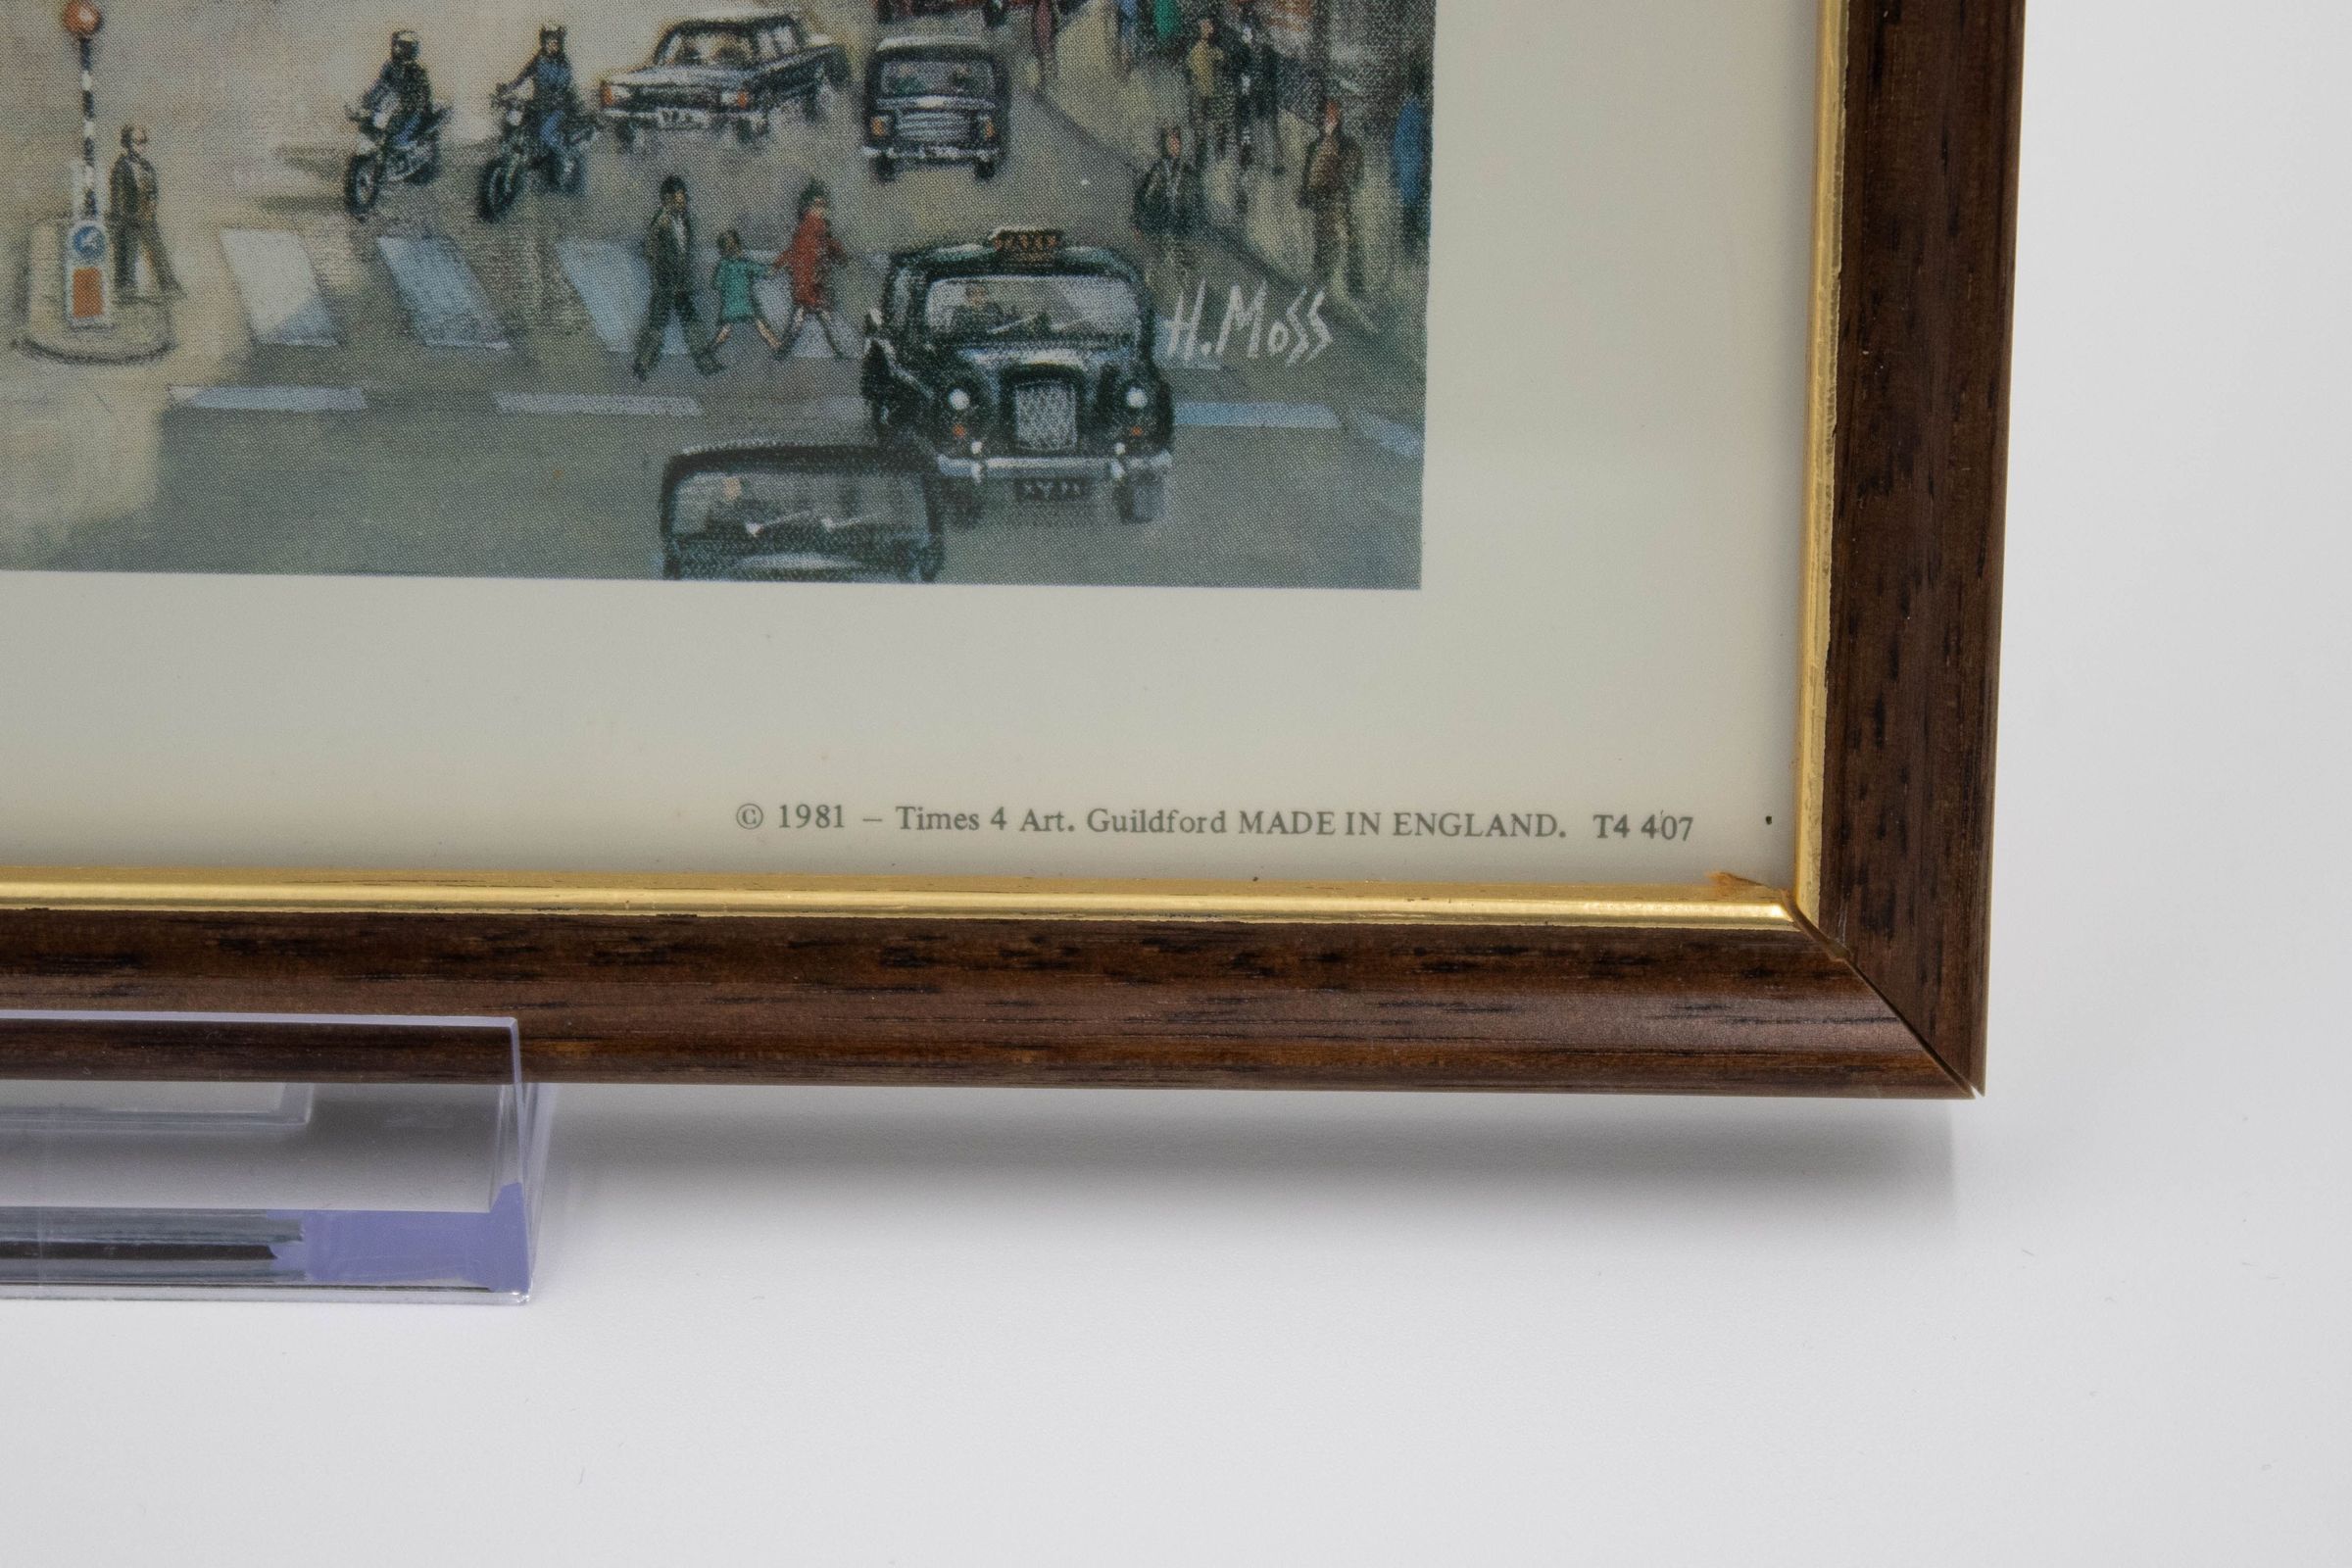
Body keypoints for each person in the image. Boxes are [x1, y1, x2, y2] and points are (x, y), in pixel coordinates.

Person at [634, 175, 722, 378]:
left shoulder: (685, 222)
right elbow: (650, 251)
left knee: (692, 323)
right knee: (656, 325)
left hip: (680, 285)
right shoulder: (661, 223)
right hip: (665, 285)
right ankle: (642, 364)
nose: (684, 203)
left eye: (684, 198)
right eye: (680, 198)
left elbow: (685, 253)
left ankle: (706, 363)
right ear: (667, 199)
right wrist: (660, 276)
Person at [773, 179, 851, 359]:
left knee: (805, 319)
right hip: (810, 283)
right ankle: (838, 351)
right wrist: (841, 257)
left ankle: (784, 350)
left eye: (823, 205)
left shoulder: (812, 229)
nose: (821, 209)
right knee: (817, 318)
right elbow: (825, 247)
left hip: (810, 283)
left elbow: (795, 251)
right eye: (817, 205)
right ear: (807, 207)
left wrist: (778, 264)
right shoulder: (813, 228)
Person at [1299, 96, 1364, 297]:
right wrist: (1305, 193)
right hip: (1322, 201)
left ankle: (1354, 287)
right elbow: (1308, 174)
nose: (1329, 119)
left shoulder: (1348, 145)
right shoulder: (1314, 145)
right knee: (1324, 242)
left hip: (1339, 201)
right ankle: (1321, 283)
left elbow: (1355, 174)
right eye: (1326, 115)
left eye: (1333, 115)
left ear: (1339, 118)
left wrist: (1343, 180)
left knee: (1349, 241)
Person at [106, 124, 177, 297]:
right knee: (127, 253)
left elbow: (153, 191)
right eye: (136, 142)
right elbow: (117, 197)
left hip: (146, 217)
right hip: (128, 218)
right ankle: (125, 288)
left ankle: (169, 286)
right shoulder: (120, 167)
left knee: (158, 251)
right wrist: (121, 218)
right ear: (126, 143)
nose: (140, 146)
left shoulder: (147, 166)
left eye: (143, 141)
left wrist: (151, 209)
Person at [1132, 124, 1203, 292]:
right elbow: (1141, 195)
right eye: (1171, 143)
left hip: (1179, 225)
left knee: (1183, 261)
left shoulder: (1187, 170)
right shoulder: (1157, 169)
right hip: (1157, 222)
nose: (1175, 146)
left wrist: (1195, 225)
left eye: (1177, 143)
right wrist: (1136, 223)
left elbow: (1195, 199)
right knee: (1154, 259)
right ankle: (1150, 289)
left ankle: (1186, 291)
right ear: (1165, 145)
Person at [507, 23, 580, 167]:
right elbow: (522, 76)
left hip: (558, 108)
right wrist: (507, 89)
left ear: (560, 44)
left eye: (554, 42)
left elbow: (563, 85)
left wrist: (554, 98)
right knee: (519, 123)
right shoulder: (539, 59)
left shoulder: (563, 64)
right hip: (540, 104)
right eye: (547, 41)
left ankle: (566, 158)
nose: (550, 45)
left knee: (545, 133)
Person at [710, 229, 784, 356]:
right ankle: (776, 345)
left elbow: (716, 284)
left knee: (725, 329)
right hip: (746, 304)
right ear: (738, 247)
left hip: (729, 305)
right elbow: (766, 272)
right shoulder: (745, 264)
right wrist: (778, 267)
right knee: (760, 325)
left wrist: (727, 286)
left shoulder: (723, 265)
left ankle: (712, 348)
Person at [365, 29, 435, 151]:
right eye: (399, 45)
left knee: (398, 142)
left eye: (405, 45)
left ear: (413, 48)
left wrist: (416, 108)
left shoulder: (418, 69)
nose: (399, 48)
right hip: (393, 108)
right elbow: (380, 86)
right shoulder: (390, 66)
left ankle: (406, 151)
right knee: (375, 129)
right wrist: (367, 102)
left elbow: (424, 94)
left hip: (413, 110)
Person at [1391, 57, 1433, 257]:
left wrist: (1396, 170)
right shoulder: (1417, 113)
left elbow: (1398, 144)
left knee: (1411, 213)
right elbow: (1407, 144)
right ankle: (1411, 252)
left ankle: (1411, 251)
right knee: (1414, 213)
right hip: (1415, 172)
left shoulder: (1409, 112)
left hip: (1410, 172)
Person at [1186, 18, 1231, 162]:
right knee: (1205, 124)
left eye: (1210, 27)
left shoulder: (1208, 50)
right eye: (1207, 28)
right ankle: (1207, 154)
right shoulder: (1200, 50)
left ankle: (1214, 153)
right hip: (1204, 92)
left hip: (1208, 92)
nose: (1210, 30)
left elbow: (1222, 61)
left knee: (1210, 123)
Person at [1031, 0, 1059, 87]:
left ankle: (1051, 78)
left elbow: (1056, 18)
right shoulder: (1037, 6)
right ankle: (1045, 78)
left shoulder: (1050, 6)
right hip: (1040, 23)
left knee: (1048, 52)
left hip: (1046, 23)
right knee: (1042, 54)